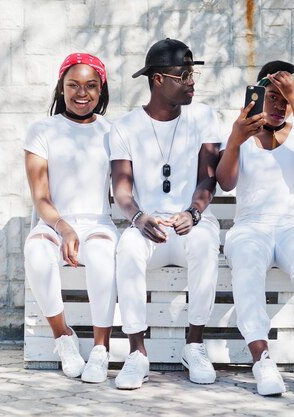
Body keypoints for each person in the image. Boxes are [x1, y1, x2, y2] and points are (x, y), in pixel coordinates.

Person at [216, 60, 294, 396]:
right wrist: (236, 139)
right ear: (257, 95)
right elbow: (225, 182)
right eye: (272, 95)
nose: (278, 104)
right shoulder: (242, 130)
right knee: (247, 264)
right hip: (251, 226)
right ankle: (262, 360)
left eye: (285, 97)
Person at [109, 38, 222, 390]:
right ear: (158, 79)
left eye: (193, 74)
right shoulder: (125, 127)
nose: (192, 81)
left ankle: (194, 345)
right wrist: (138, 217)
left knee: (205, 243)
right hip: (149, 225)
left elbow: (208, 177)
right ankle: (137, 353)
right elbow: (122, 190)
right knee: (127, 247)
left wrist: (195, 212)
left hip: (191, 222)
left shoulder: (204, 116)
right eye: (183, 74)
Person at [23, 53, 118, 383]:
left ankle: (100, 350)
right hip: (54, 222)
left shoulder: (112, 131)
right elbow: (41, 198)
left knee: (104, 257)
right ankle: (63, 337)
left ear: (101, 89)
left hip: (98, 223)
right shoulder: (42, 130)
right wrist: (63, 228)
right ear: (61, 88)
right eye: (73, 85)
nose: (82, 93)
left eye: (91, 86)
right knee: (35, 253)